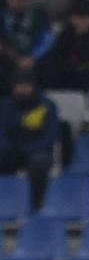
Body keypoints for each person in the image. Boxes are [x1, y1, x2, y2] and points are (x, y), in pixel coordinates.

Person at [0, 71, 58, 209]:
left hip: (37, 150)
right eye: (18, 86)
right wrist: (6, 147)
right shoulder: (6, 105)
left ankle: (35, 205)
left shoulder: (47, 105)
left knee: (39, 164)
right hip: (11, 149)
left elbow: (50, 135)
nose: (22, 89)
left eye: (25, 85)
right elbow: (1, 131)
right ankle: (5, 202)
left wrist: (27, 150)